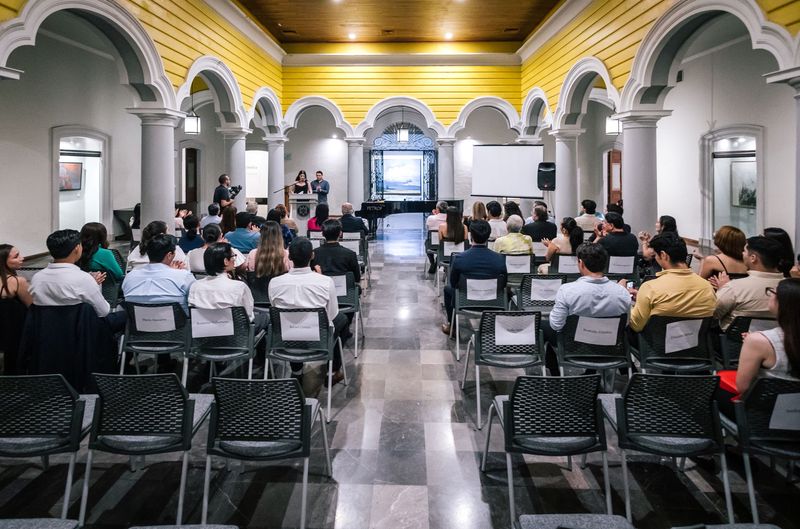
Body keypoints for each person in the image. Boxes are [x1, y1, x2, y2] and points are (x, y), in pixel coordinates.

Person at [268, 237, 347, 384]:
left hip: (285, 338)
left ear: (289, 256)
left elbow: (275, 310)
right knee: (341, 319)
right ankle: (334, 370)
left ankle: (296, 370)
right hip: (318, 339)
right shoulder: (325, 281)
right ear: (312, 255)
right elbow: (331, 314)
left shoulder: (274, 282)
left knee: (289, 320)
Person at [544, 243, 631, 373]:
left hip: (574, 346)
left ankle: (555, 374)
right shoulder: (622, 293)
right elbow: (625, 324)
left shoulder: (567, 290)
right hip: (609, 345)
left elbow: (556, 325)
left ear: (581, 263)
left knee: (543, 326)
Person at [29, 230, 125, 330]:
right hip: (81, 332)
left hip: (48, 331)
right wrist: (94, 284)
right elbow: (103, 311)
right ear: (77, 248)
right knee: (124, 315)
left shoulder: (37, 278)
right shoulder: (84, 279)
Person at [627, 232, 716, 332]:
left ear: (664, 255)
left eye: (656, 255)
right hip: (695, 346)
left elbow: (636, 325)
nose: (655, 258)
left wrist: (626, 301)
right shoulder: (707, 287)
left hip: (657, 346)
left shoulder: (650, 288)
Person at [734, 278, 800, 394]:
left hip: (767, 409)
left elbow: (743, 387)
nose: (770, 295)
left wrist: (755, 343)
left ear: (783, 303)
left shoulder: (758, 341)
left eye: (773, 292)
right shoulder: (760, 340)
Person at [442, 220, 506, 334]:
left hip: (465, 302)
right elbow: (504, 283)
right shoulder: (499, 258)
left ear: (471, 235)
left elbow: (453, 282)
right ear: (488, 236)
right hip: (493, 302)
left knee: (448, 289)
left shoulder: (460, 258)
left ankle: (452, 326)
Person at [188, 242, 267, 330]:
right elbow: (248, 315)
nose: (234, 259)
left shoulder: (195, 286)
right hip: (236, 336)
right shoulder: (239, 287)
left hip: (204, 335)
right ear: (226, 261)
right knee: (265, 318)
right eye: (233, 256)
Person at [713, 236, 785, 331]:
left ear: (753, 258)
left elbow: (713, 313)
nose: (742, 253)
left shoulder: (734, 288)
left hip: (736, 343)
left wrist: (723, 290)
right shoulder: (792, 288)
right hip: (782, 343)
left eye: (744, 251)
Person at [122, 233, 195, 312]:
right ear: (169, 255)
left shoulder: (130, 276)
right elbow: (195, 299)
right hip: (177, 323)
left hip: (137, 323)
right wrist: (175, 273)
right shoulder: (183, 276)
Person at [0, 244, 32, 374]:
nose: (22, 258)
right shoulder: (17, 281)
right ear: (3, 261)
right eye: (16, 256)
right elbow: (32, 305)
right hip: (14, 336)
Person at [312, 218, 361, 283]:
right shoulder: (350, 254)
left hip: (322, 290)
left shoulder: (314, 253)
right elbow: (357, 278)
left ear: (322, 234)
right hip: (345, 292)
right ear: (340, 233)